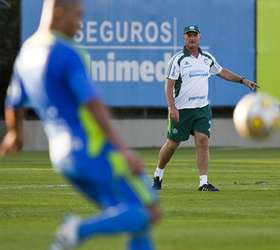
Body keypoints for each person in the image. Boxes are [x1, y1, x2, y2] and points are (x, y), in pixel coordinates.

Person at [0, 0, 160, 250]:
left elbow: (13, 103)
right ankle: (77, 230)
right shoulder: (65, 53)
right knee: (144, 214)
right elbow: (92, 104)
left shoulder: (27, 53)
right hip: (92, 150)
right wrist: (123, 149)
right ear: (59, 12)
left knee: (134, 219)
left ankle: (77, 232)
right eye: (78, 16)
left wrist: (14, 134)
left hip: (62, 157)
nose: (80, 24)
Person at [152, 25, 258, 191]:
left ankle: (203, 182)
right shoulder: (178, 59)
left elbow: (222, 72)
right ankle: (158, 174)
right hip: (182, 109)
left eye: (194, 35)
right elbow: (169, 85)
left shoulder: (207, 58)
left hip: (202, 109)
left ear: (199, 37)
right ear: (184, 38)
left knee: (203, 141)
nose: (192, 38)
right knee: (172, 144)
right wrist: (172, 108)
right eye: (189, 35)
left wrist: (243, 80)